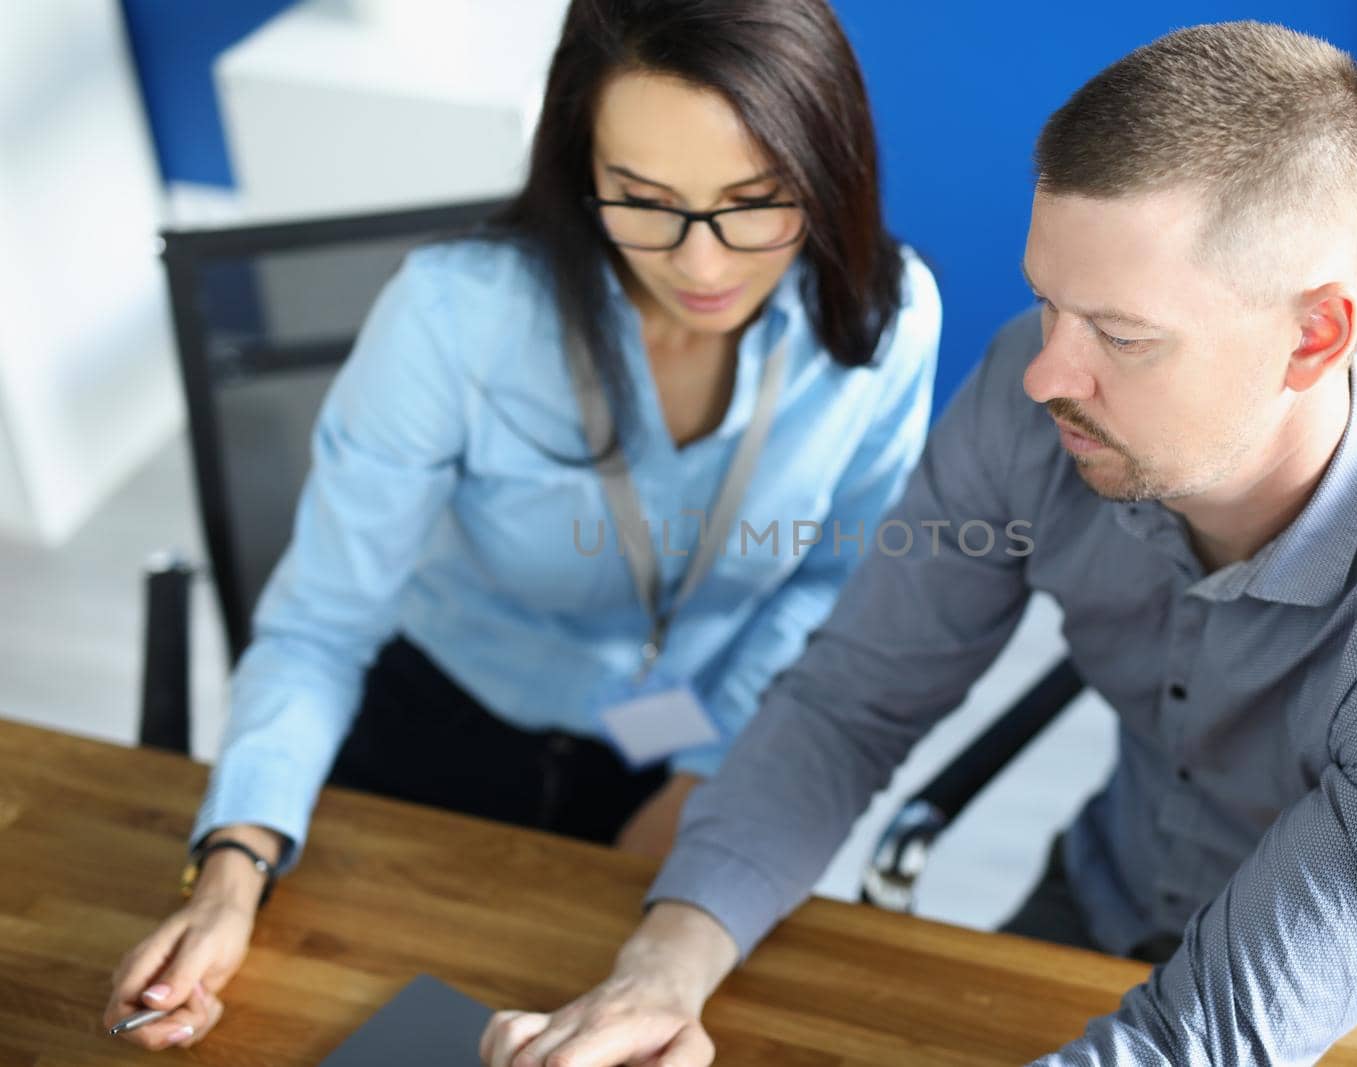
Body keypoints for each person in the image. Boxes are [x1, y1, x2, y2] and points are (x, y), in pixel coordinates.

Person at [478, 20, 1357, 1067]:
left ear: (1314, 336)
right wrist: (659, 972)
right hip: (1110, 899)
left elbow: (1208, 1036)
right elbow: (846, 703)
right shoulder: (1044, 399)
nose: (1043, 376)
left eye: (1120, 334)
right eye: (1048, 303)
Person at [104, 0, 940, 1052]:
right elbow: (321, 621)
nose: (701, 263)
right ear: (579, 165)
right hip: (440, 716)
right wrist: (231, 866)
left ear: (826, 170)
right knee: (336, 1019)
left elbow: (827, 581)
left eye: (754, 201)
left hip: (679, 726)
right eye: (644, 200)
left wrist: (704, 768)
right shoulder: (456, 314)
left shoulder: (888, 317)